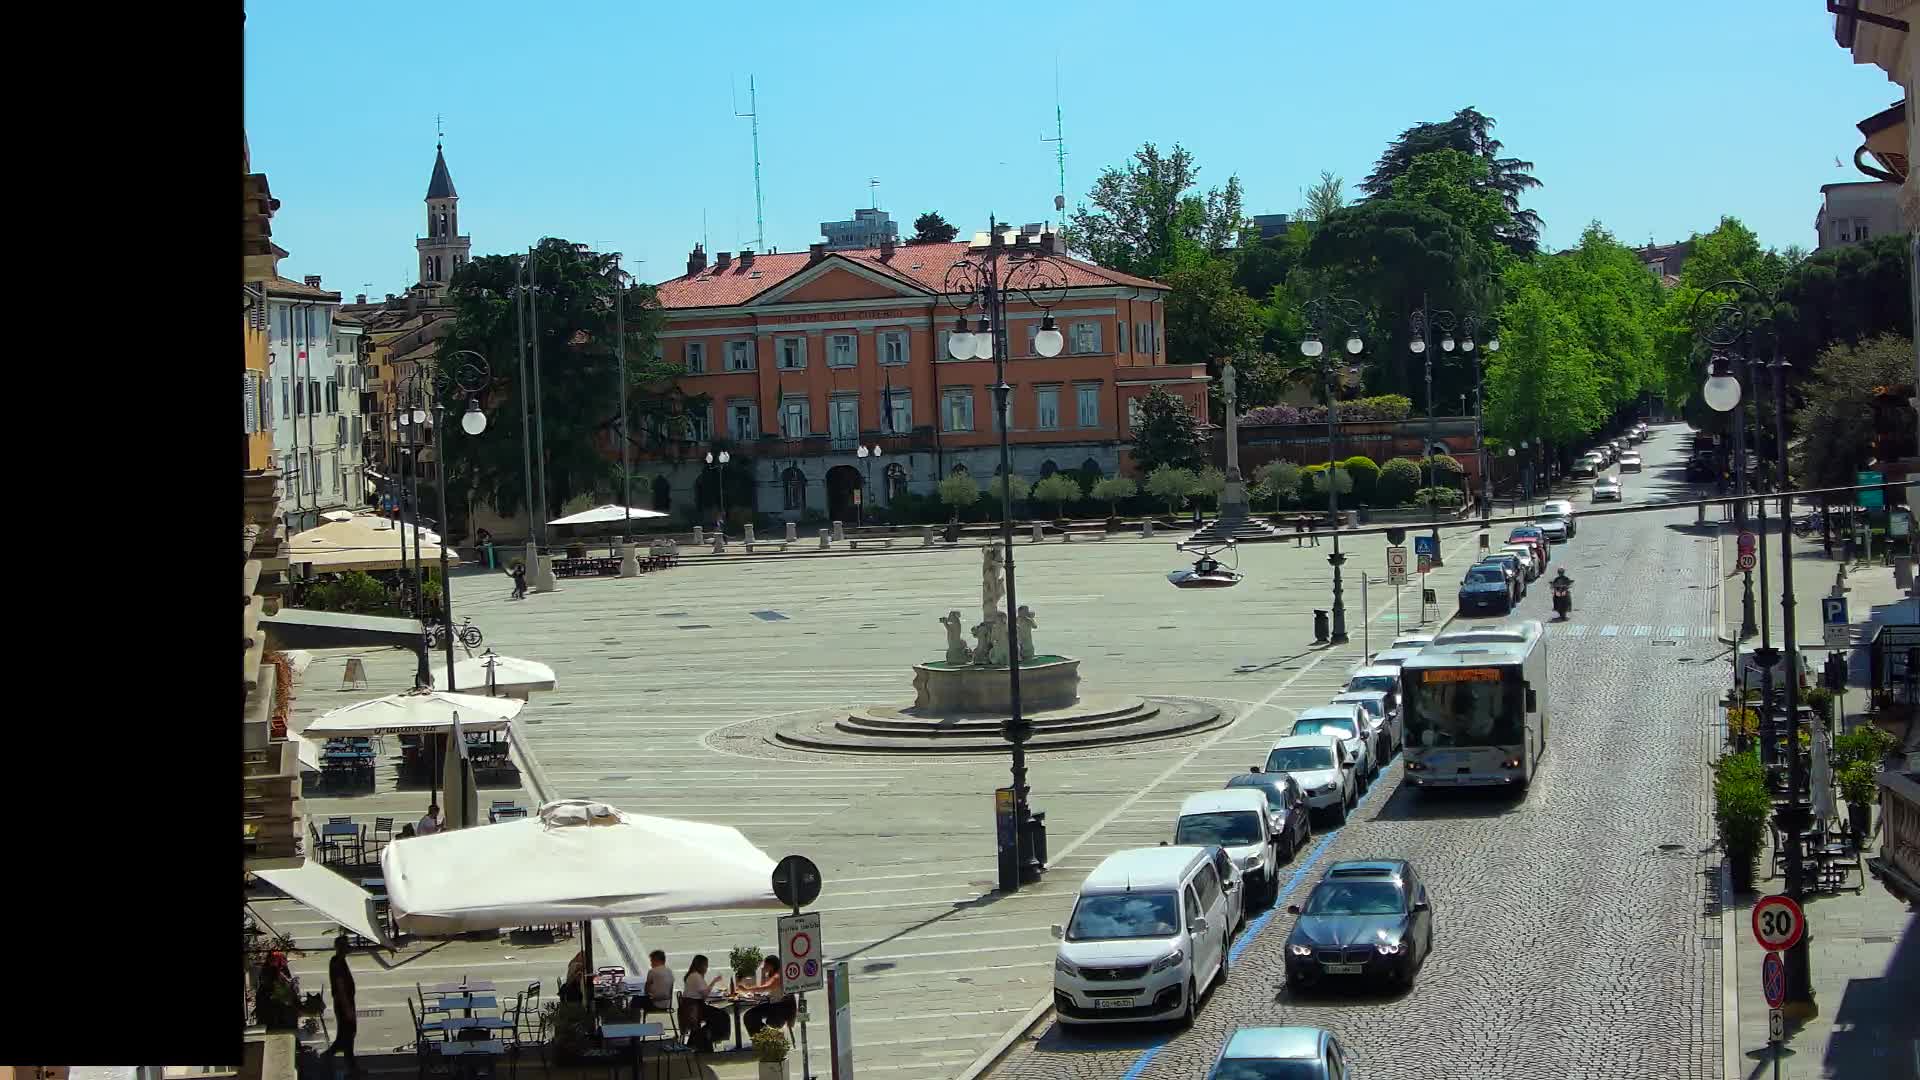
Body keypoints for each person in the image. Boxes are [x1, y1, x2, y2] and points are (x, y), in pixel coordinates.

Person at [323, 935, 362, 1077]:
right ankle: (351, 1068)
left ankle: (351, 1067)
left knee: (345, 1036)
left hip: (345, 1004)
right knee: (348, 1035)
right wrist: (348, 1009)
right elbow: (340, 987)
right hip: (344, 1004)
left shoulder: (338, 961)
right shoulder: (337, 962)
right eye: (346, 945)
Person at [679, 954, 732, 1052]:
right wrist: (714, 981)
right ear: (701, 965)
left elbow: (703, 991)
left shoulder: (693, 975)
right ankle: (705, 1036)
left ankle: (699, 1037)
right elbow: (705, 994)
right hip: (695, 1008)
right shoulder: (695, 976)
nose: (707, 968)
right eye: (706, 965)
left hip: (693, 1006)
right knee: (722, 1015)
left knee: (718, 1015)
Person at [739, 956, 795, 1038]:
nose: (763, 966)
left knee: (751, 1016)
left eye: (766, 965)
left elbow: (765, 988)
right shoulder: (772, 973)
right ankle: (763, 1038)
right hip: (773, 1003)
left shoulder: (778, 976)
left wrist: (746, 990)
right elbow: (764, 985)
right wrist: (762, 972)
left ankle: (772, 1036)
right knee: (749, 1015)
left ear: (772, 965)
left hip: (781, 1007)